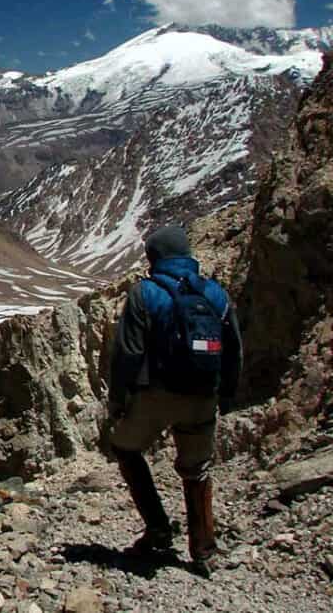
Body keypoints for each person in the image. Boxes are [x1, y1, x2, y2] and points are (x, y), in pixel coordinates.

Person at [108, 225, 243, 577]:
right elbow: (234, 349)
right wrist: (225, 394)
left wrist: (119, 400)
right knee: (197, 469)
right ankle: (204, 551)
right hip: (202, 395)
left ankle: (157, 529)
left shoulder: (146, 292)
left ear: (155, 257)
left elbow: (128, 352)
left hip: (156, 394)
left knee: (125, 448)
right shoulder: (215, 293)